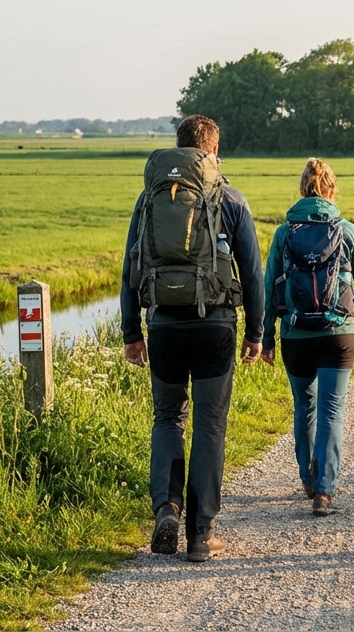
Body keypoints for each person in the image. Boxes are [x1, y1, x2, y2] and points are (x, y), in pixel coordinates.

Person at [120, 114, 264, 563]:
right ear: (214, 153)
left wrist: (131, 331)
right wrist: (257, 331)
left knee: (167, 419)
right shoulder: (232, 200)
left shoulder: (149, 200)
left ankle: (166, 509)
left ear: (179, 147)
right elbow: (253, 274)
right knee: (210, 424)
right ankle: (200, 534)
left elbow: (130, 269)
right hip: (216, 326)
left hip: (163, 323)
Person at [259, 158, 354, 517]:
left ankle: (307, 480)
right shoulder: (348, 231)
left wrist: (266, 337)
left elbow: (270, 287)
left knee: (304, 406)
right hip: (338, 334)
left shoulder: (284, 234)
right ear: (330, 190)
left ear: (303, 190)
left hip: (296, 335)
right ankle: (325, 491)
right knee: (331, 409)